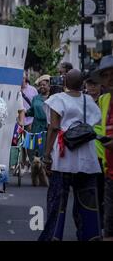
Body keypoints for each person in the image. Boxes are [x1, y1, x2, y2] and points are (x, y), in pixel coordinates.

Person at [39, 69, 102, 241]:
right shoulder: (88, 100)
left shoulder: (58, 99)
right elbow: (96, 120)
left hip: (64, 158)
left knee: (57, 203)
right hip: (87, 159)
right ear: (82, 84)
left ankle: (53, 236)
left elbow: (54, 127)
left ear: (64, 82)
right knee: (87, 204)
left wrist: (46, 156)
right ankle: (90, 236)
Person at [90, 55, 113, 241]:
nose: (110, 78)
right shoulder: (104, 100)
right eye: (106, 75)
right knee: (108, 229)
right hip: (109, 172)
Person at [25, 75, 51, 159]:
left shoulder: (53, 98)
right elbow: (31, 111)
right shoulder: (36, 98)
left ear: (49, 85)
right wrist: (22, 113)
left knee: (44, 149)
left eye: (44, 85)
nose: (42, 87)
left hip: (47, 128)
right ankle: (34, 167)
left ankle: (45, 168)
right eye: (40, 85)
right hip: (36, 128)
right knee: (32, 148)